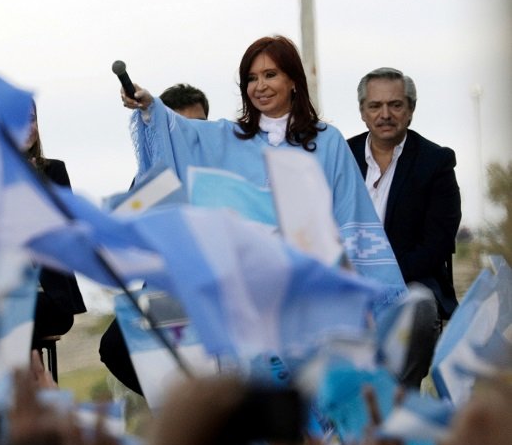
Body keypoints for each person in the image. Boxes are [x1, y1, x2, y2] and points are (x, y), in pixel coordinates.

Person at [120, 36, 405, 306]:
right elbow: (181, 134)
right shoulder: (227, 137)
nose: (260, 86)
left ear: (293, 80)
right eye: (252, 79)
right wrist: (149, 107)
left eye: (270, 75)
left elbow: (350, 213)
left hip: (312, 290)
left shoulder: (327, 141)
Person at [347, 67, 462, 387]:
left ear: (410, 110)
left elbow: (437, 243)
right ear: (362, 112)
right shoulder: (343, 156)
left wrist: (383, 280)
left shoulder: (435, 162)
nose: (385, 114)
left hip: (411, 284)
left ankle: (398, 402)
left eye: (395, 105)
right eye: (375, 106)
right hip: (350, 282)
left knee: (417, 304)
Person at [100, 83, 211, 396]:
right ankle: (179, 408)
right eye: (178, 126)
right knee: (114, 346)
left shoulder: (219, 171)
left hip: (214, 293)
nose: (189, 135)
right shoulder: (152, 176)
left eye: (198, 125)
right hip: (166, 293)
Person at [25, 102, 87, 344]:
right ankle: (34, 377)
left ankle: (29, 377)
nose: (27, 127)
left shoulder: (53, 171)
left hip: (50, 296)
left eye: (31, 119)